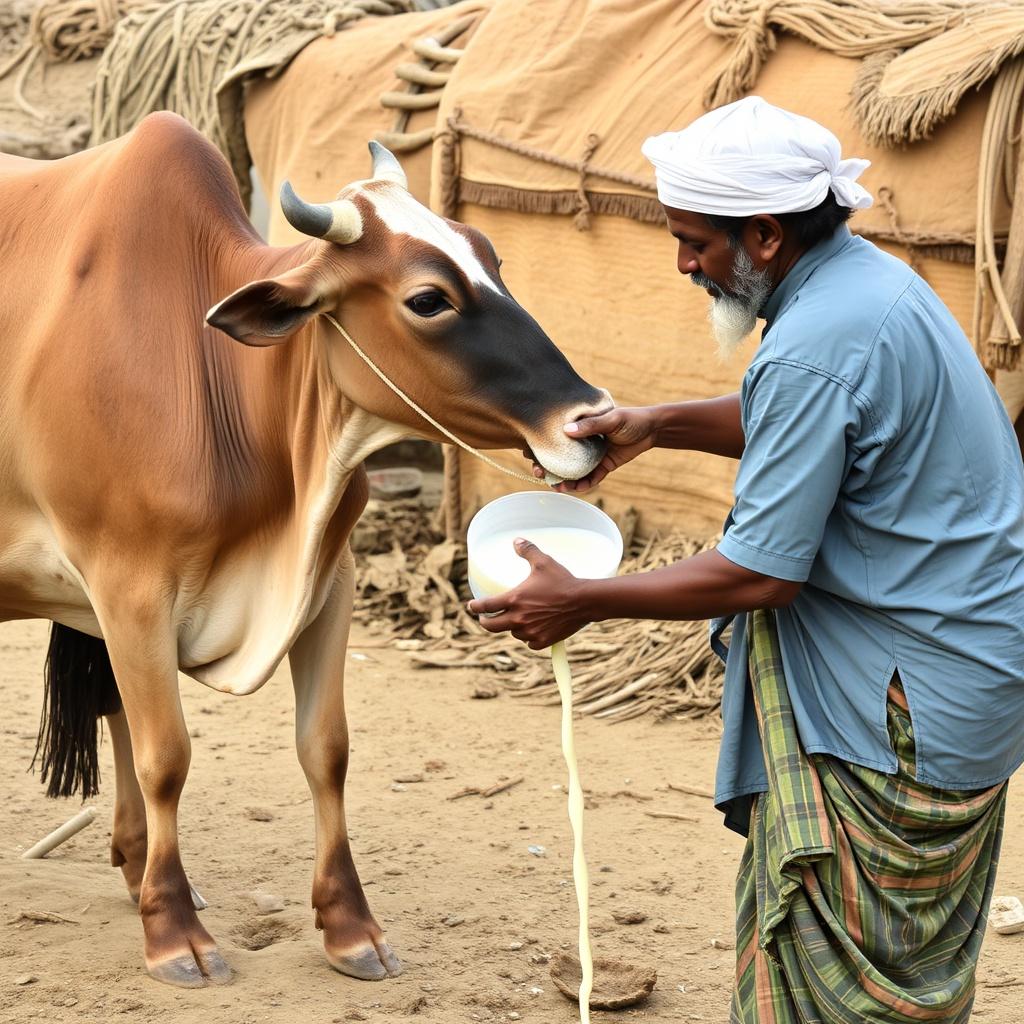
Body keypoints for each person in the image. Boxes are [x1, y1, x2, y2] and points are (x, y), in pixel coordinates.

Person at [467, 95, 1024, 1023]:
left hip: (900, 702)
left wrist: (585, 599)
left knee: (831, 983)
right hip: (972, 667)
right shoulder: (870, 285)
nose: (683, 263)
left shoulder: (813, 345)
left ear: (763, 235)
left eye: (695, 242)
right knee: (903, 963)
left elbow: (759, 573)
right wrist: (659, 424)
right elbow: (833, 422)